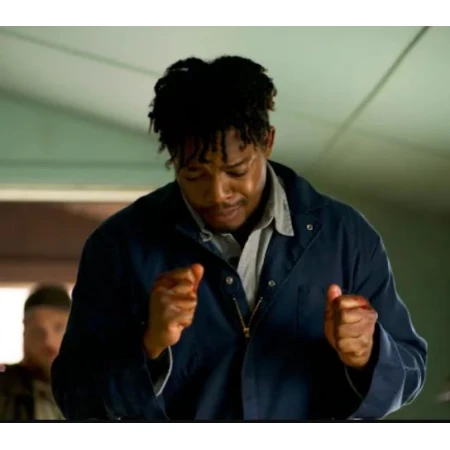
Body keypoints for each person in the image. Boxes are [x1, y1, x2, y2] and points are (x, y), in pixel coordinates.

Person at [52, 55, 427, 421]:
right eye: (194, 174)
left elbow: (411, 372)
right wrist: (148, 345)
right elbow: (76, 398)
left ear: (267, 141)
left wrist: (367, 354)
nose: (217, 194)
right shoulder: (117, 246)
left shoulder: (346, 235)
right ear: (172, 158)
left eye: (236, 170)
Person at [0, 285, 70, 420]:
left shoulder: (98, 394)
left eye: (59, 328)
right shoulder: (4, 393)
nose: (48, 342)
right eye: (38, 331)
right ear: (25, 333)